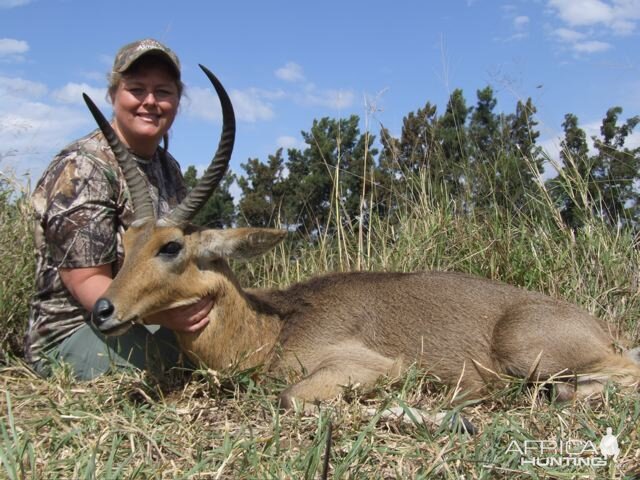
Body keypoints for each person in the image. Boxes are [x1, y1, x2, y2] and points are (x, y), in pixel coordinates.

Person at [26, 39, 213, 380]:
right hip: (75, 329)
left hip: (142, 316)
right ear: (113, 96)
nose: (150, 102)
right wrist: (166, 315)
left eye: (163, 91)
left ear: (177, 101)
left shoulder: (168, 168)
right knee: (183, 368)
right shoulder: (82, 167)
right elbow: (88, 283)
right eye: (136, 89)